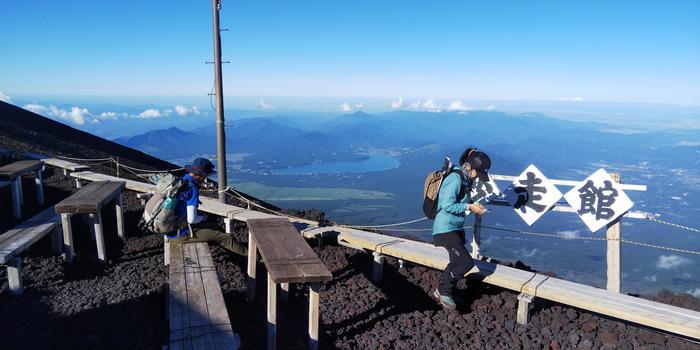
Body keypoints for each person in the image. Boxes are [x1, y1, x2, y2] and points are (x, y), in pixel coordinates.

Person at [432, 147, 490, 309]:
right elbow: (447, 205)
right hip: (445, 229)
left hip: (455, 228)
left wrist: (472, 206)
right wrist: (470, 207)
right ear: (469, 167)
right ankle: (445, 292)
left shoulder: (465, 179)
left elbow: (461, 204)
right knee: (466, 262)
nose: (478, 176)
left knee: (456, 262)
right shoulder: (455, 179)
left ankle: (441, 290)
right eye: (478, 172)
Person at [166, 158, 248, 256]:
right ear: (201, 176)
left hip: (170, 229)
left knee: (214, 227)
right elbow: (191, 219)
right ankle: (255, 258)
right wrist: (204, 217)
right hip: (180, 234)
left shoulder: (180, 181)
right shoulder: (192, 188)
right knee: (226, 238)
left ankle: (233, 252)